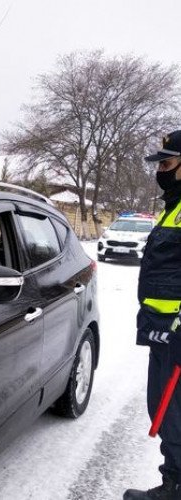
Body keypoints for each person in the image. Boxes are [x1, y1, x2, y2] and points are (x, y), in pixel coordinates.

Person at [124, 130, 181, 500]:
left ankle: (174, 488)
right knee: (163, 407)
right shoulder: (174, 208)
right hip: (162, 329)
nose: (159, 170)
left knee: (172, 411)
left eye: (167, 163)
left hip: (177, 331)